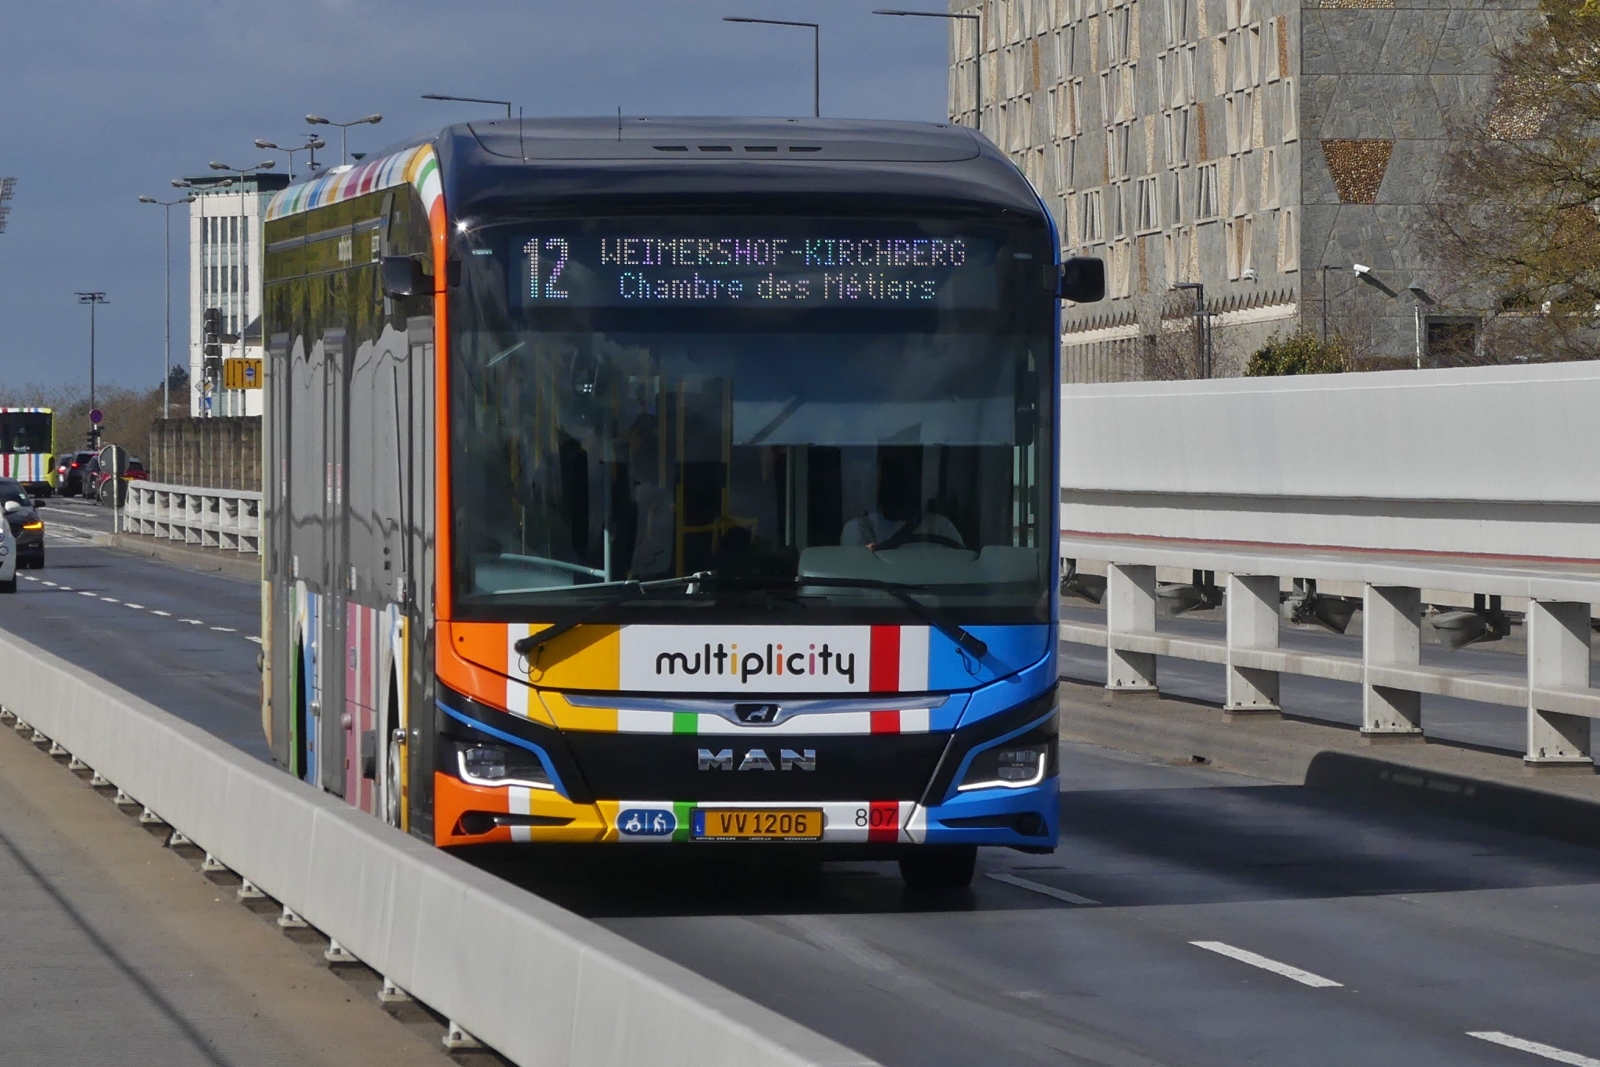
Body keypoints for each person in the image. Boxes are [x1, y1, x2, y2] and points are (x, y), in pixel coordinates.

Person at [840, 454, 964, 550]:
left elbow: (961, 566)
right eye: (888, 483)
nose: (895, 490)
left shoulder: (940, 526)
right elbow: (855, 570)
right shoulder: (860, 529)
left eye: (901, 483)